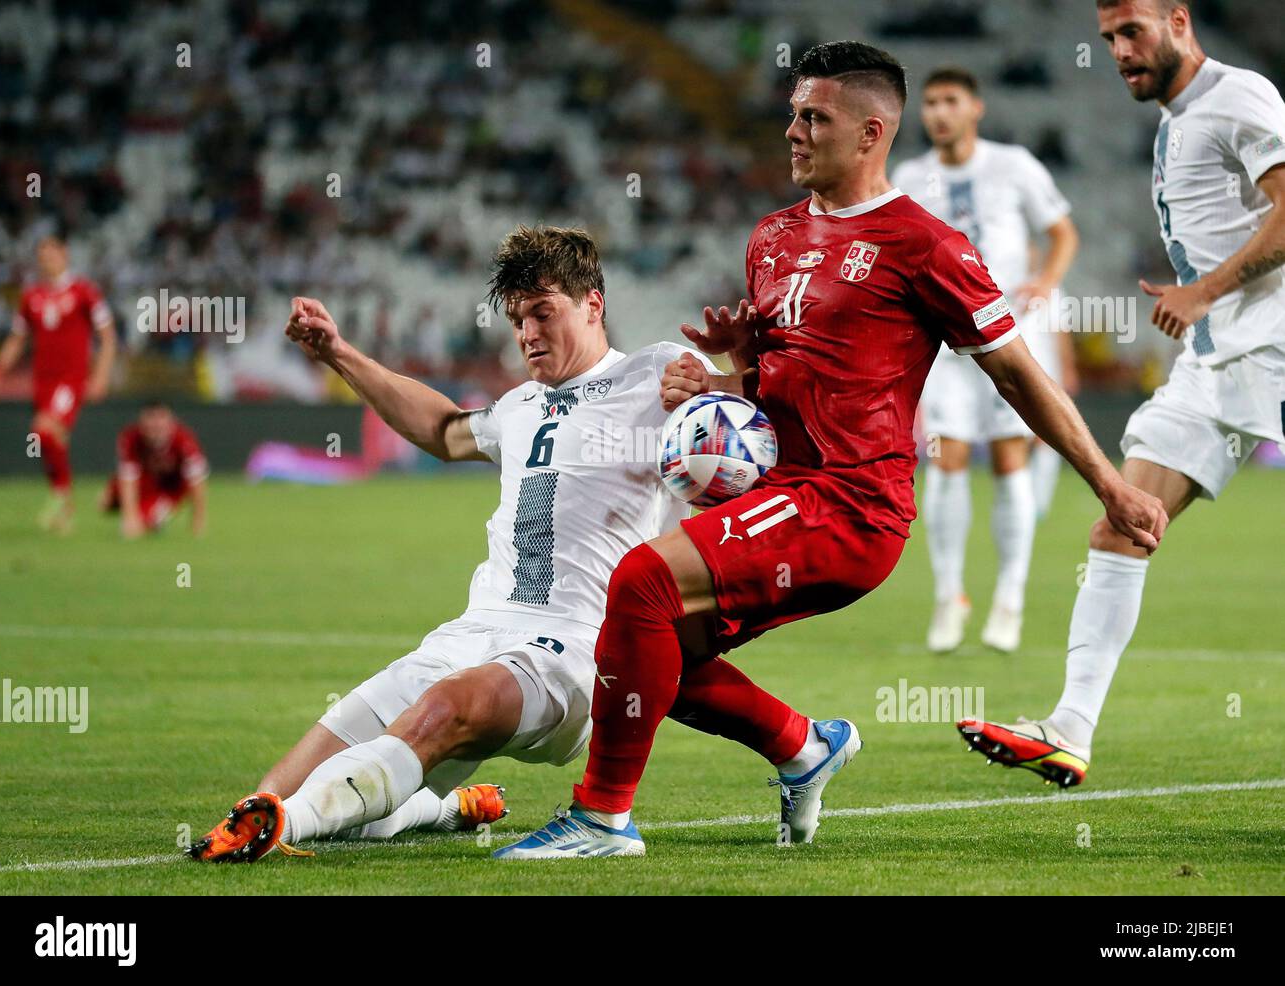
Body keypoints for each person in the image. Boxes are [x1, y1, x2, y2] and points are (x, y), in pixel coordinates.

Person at [498, 41, 1166, 860]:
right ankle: (803, 748)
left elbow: (1019, 377)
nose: (793, 131)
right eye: (792, 113)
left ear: (871, 133)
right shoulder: (772, 237)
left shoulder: (927, 246)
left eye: (814, 117)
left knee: (642, 581)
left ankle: (602, 820)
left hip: (852, 505)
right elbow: (774, 394)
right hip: (784, 489)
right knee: (653, 646)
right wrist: (731, 372)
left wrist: (1109, 486)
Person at [188, 225, 825, 862]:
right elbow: (443, 432)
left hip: (573, 647)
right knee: (278, 791)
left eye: (542, 312)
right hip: (471, 632)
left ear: (593, 305)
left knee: (428, 721)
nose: (527, 333)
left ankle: (292, 824)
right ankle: (439, 808)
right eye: (518, 318)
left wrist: (732, 377)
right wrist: (338, 353)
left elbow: (761, 426)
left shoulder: (656, 372)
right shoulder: (519, 405)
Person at [960, 0, 1285, 787]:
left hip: (1275, 347)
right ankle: (1070, 728)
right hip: (1217, 364)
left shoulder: (1238, 96)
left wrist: (1203, 291)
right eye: (1107, 38)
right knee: (1123, 524)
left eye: (1132, 31)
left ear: (1178, 20)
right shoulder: (1174, 123)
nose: (1117, 50)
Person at [893, 66, 1080, 653]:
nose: (939, 112)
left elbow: (1062, 232)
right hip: (945, 346)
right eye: (930, 103)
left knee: (1008, 461)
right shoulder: (909, 175)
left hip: (1008, 335)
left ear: (975, 108)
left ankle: (1010, 598)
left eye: (951, 100)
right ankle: (950, 596)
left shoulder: (1014, 165)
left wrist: (1046, 281)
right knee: (945, 459)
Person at [0, 235, 117, 532]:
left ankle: (61, 499)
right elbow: (17, 340)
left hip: (71, 379)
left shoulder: (84, 292)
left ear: (65, 255)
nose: (47, 260)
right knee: (49, 440)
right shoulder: (32, 296)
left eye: (52, 254)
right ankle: (64, 503)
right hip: (42, 380)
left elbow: (107, 336)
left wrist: (101, 376)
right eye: (42, 255)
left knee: (42, 431)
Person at [99, 402, 210, 538]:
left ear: (171, 422)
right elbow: (128, 478)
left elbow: (196, 481)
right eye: (151, 419)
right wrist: (130, 517)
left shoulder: (184, 440)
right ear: (141, 422)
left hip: (169, 489)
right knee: (105, 504)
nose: (155, 425)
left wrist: (198, 519)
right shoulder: (131, 437)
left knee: (142, 523)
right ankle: (143, 512)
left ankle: (154, 517)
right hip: (144, 481)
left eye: (160, 419)